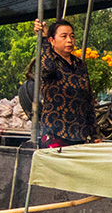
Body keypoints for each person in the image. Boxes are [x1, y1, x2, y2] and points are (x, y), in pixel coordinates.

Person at [32, 18, 99, 147]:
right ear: (52, 40)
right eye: (64, 36)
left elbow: (88, 101)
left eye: (72, 36)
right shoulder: (49, 61)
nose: (69, 40)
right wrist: (44, 39)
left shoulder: (80, 65)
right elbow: (46, 69)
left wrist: (95, 134)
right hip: (55, 134)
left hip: (79, 134)